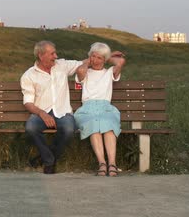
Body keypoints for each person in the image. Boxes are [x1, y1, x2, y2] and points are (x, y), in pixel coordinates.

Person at [21, 41, 83, 174]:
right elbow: (28, 103)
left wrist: (105, 54)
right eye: (52, 53)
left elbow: (83, 63)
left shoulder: (62, 65)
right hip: (41, 113)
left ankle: (43, 159)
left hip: (63, 112)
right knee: (31, 127)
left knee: (69, 129)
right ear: (40, 55)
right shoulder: (29, 75)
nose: (56, 56)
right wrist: (42, 114)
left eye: (55, 53)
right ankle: (49, 161)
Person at [74, 42, 126, 177]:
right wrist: (89, 61)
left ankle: (112, 164)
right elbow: (80, 72)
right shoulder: (84, 71)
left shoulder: (109, 73)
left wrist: (108, 56)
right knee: (93, 125)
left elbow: (120, 62)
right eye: (93, 56)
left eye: (99, 58)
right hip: (87, 108)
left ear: (104, 60)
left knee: (108, 125)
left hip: (105, 108)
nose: (95, 60)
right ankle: (102, 163)